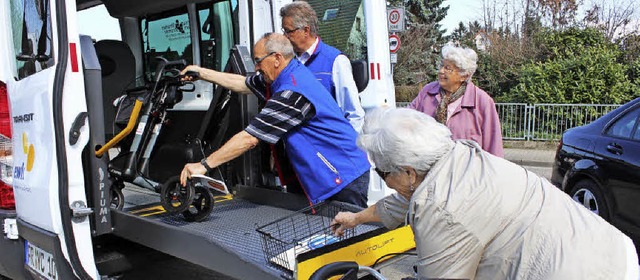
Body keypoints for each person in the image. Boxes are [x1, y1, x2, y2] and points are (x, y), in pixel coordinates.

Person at [331, 107, 639, 279]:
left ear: (409, 172)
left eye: (382, 173)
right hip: (613, 252)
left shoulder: (442, 207)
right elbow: (403, 201)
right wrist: (356, 217)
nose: (382, 180)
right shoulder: (458, 157)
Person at [179, 33, 371, 207]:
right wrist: (201, 73)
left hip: (343, 175)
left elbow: (250, 138)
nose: (255, 67)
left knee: (349, 239)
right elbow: (243, 83)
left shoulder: (293, 92)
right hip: (328, 172)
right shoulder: (286, 74)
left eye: (258, 61)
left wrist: (203, 165)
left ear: (277, 58)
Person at [280, 2, 365, 132]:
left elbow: (354, 114)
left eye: (288, 31)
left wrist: (346, 148)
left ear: (306, 30)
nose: (284, 37)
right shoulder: (289, 62)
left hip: (327, 147)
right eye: (283, 31)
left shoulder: (335, 61)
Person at [408, 43, 504, 157]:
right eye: (442, 66)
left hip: (467, 170)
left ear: (464, 75)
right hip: (430, 168)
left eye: (448, 68)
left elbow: (493, 145)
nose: (441, 71)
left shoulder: (482, 101)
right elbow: (408, 117)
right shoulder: (427, 92)